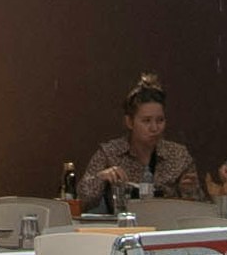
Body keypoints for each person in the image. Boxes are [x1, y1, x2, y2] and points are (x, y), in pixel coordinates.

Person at [71, 75, 206, 212]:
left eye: (160, 120)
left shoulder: (179, 155)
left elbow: (199, 210)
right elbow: (81, 202)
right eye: (146, 121)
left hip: (166, 221)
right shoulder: (109, 153)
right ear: (130, 122)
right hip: (123, 222)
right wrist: (100, 178)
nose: (154, 128)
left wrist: (190, 191)